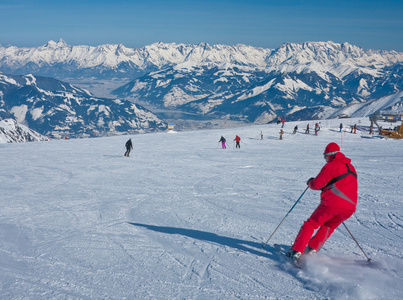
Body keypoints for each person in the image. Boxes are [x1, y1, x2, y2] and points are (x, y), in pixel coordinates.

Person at [285, 142, 358, 261]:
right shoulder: (351, 167)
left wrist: (310, 182)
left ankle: (296, 251)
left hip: (333, 204)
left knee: (310, 224)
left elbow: (317, 184)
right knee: (328, 226)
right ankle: (312, 249)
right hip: (349, 208)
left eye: (325, 156)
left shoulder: (332, 165)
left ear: (331, 155)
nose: (325, 159)